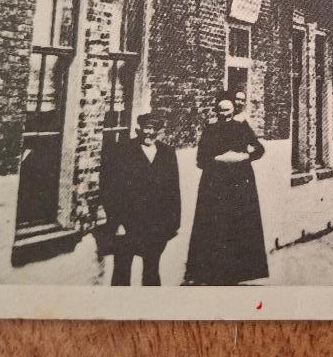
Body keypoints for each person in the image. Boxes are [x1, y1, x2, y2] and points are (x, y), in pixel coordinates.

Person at [184, 91, 268, 285]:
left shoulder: (242, 127)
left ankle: (236, 273)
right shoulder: (210, 130)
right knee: (215, 226)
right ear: (216, 111)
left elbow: (259, 149)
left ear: (233, 110)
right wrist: (219, 159)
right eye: (221, 110)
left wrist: (244, 157)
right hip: (215, 186)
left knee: (237, 226)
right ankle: (211, 272)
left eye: (228, 110)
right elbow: (200, 160)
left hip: (239, 186)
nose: (225, 114)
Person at [103, 112, 181, 287]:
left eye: (154, 130)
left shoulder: (167, 153)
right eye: (146, 130)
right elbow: (110, 190)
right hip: (128, 223)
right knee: (122, 271)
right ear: (138, 130)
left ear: (160, 131)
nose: (149, 134)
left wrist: (172, 224)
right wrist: (116, 222)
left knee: (152, 271)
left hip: (156, 225)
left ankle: (150, 309)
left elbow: (173, 191)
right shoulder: (122, 150)